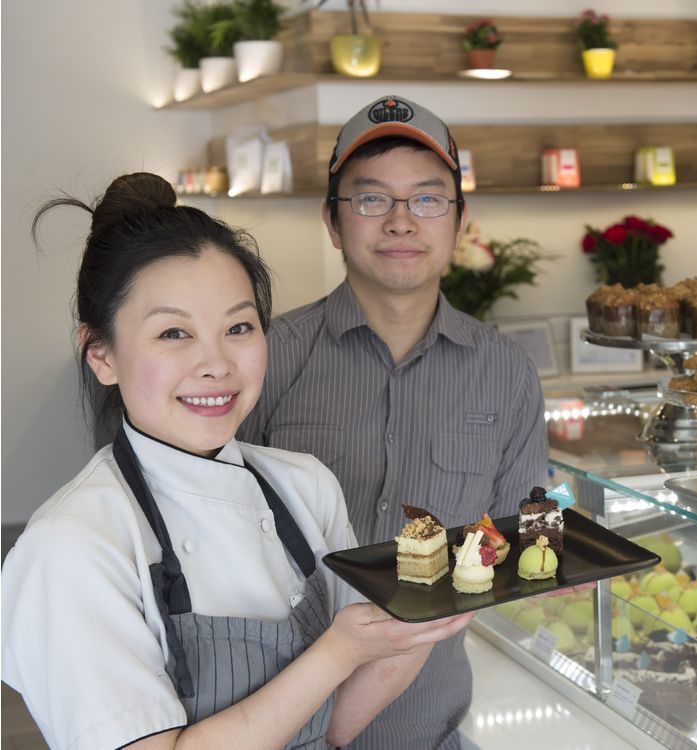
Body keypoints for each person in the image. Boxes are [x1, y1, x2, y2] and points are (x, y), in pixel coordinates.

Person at [1, 172, 474, 750]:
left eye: (239, 327)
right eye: (174, 333)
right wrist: (337, 652)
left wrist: (440, 605)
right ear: (101, 355)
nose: (216, 364)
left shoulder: (305, 486)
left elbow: (334, 728)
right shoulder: (71, 546)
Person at [238, 95, 549, 748]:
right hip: (279, 721)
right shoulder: (266, 358)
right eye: (372, 199)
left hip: (430, 725)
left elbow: (521, 536)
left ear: (460, 222)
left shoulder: (506, 372)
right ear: (332, 221)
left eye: (429, 199)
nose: (402, 222)